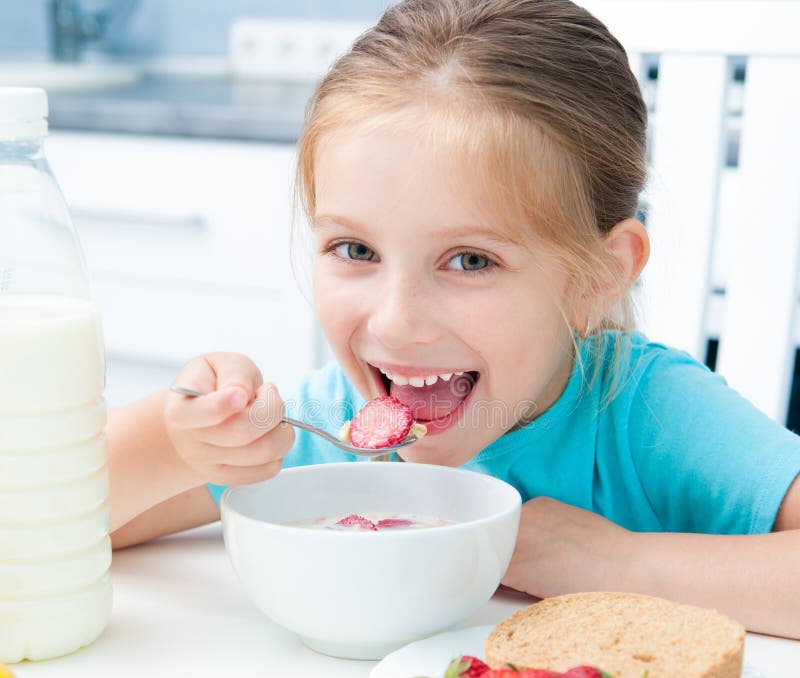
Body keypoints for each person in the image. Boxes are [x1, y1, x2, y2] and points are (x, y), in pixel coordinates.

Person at [107, 0, 800, 639]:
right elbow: (35, 524)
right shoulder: (329, 428)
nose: (398, 323)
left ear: (600, 276)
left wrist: (620, 565)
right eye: (356, 250)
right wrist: (178, 446)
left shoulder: (649, 413)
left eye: (469, 261)